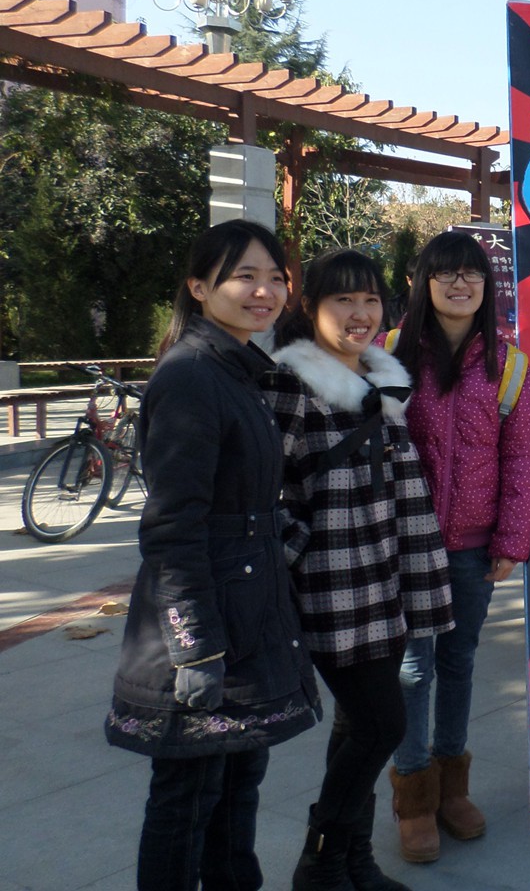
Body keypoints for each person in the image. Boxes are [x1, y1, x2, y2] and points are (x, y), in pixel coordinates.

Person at [106, 219, 321, 891]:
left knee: (237, 780)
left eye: (275, 278)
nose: (264, 291)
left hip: (247, 611)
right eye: (244, 276)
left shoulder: (236, 369)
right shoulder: (192, 376)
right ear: (199, 287)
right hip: (208, 623)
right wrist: (194, 647)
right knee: (188, 796)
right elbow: (173, 527)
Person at [265, 248, 454, 891]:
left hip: (388, 580)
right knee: (383, 724)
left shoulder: (385, 384)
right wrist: (303, 551)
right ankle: (320, 861)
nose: (360, 313)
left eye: (370, 299)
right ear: (310, 306)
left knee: (356, 726)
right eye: (342, 299)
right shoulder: (290, 385)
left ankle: (352, 862)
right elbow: (259, 494)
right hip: (333, 587)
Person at [381, 231, 530, 863]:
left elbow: (521, 457)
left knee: (459, 662)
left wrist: (511, 539)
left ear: (486, 286)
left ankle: (452, 788)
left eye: (471, 273)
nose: (459, 284)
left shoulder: (509, 364)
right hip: (406, 542)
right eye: (444, 273)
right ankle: (413, 795)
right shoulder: (390, 352)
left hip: (474, 547)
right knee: (412, 669)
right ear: (423, 283)